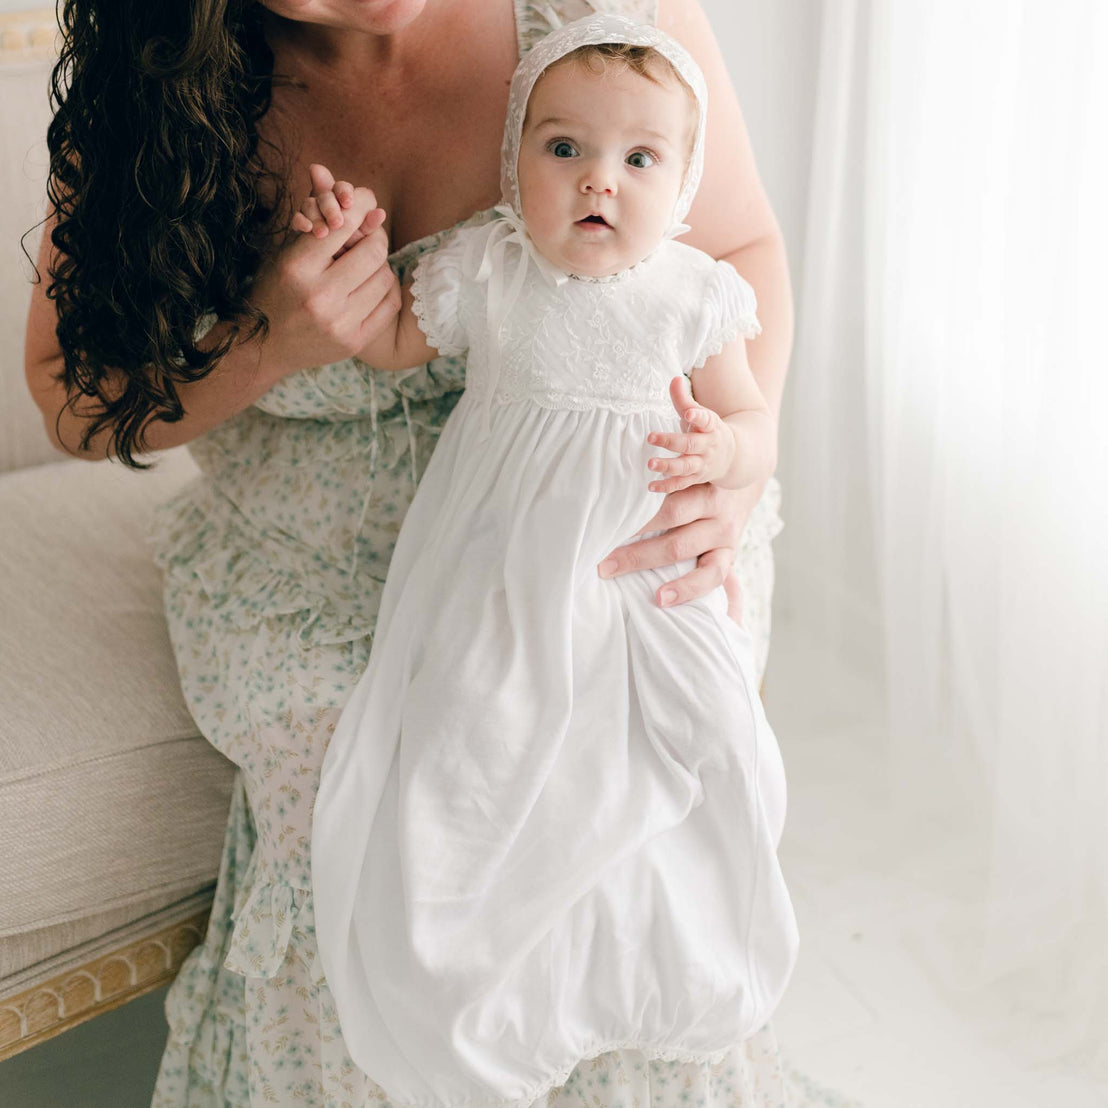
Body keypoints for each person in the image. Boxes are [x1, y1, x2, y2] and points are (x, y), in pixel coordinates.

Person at [22, 0, 828, 1105]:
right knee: (386, 808)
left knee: (632, 797)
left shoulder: (608, 18)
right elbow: (77, 402)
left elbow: (735, 250)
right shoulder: (159, 78)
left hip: (613, 514)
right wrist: (264, 341)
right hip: (313, 543)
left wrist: (747, 446)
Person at [305, 17, 798, 1108]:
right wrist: (347, 269)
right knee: (479, 725)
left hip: (631, 560)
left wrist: (729, 452)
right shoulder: (490, 267)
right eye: (563, 148)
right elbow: (394, 341)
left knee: (689, 738)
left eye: (639, 159)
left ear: (683, 181)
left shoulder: (691, 294)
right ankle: (481, 985)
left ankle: (650, 970)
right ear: (515, 159)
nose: (598, 184)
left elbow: (749, 418)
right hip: (497, 559)